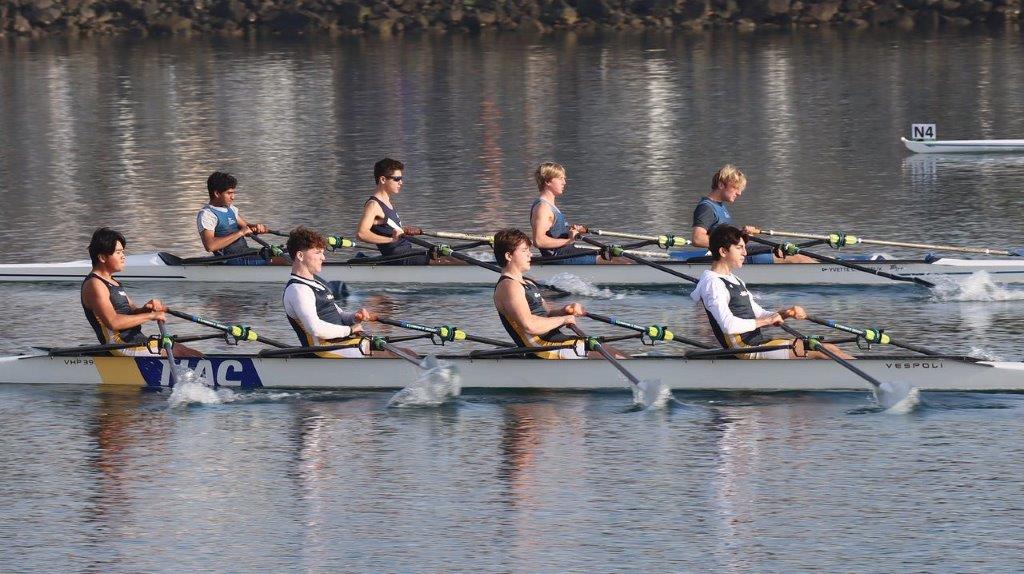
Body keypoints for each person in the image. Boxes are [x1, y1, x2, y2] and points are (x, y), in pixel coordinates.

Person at [690, 225, 852, 360]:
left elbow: (759, 313)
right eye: (739, 248)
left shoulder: (735, 279)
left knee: (828, 347)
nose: (745, 253)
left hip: (757, 343)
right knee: (821, 350)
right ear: (723, 252)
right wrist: (767, 322)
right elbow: (728, 326)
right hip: (744, 349)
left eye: (745, 248)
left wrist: (786, 312)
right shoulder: (713, 283)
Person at [492, 228, 626, 359]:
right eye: (524, 251)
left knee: (612, 351)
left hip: (554, 342)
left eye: (529, 250)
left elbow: (547, 314)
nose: (530, 254)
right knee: (613, 355)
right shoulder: (508, 287)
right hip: (542, 349)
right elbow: (530, 326)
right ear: (509, 256)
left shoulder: (527, 282)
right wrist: (563, 320)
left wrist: (565, 310)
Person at [81, 228, 199, 357]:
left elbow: (130, 313)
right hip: (120, 345)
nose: (123, 256)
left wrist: (146, 309)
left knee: (186, 351)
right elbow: (113, 322)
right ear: (102, 257)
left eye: (123, 252)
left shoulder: (112, 281)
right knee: (178, 352)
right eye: (118, 252)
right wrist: (151, 316)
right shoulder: (95, 285)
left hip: (135, 340)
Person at [284, 226, 379, 358]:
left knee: (405, 353)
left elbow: (338, 314)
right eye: (318, 253)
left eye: (323, 253)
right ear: (300, 255)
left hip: (343, 342)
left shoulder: (317, 282)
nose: (323, 258)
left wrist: (354, 317)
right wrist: (349, 330)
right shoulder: (298, 290)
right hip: (324, 349)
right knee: (391, 355)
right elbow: (315, 329)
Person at [690, 165, 813, 264]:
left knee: (790, 252)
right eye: (735, 188)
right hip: (728, 258)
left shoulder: (720, 206)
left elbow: (725, 237)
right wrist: (733, 243)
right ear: (721, 185)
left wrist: (742, 235)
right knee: (797, 259)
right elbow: (697, 239)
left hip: (736, 254)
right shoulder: (706, 208)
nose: (739, 193)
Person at [529, 162, 629, 265]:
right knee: (620, 261)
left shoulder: (549, 206)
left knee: (615, 256)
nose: (564, 182)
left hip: (567, 253)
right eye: (560, 178)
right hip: (559, 258)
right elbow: (539, 241)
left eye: (564, 178)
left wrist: (571, 232)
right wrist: (569, 240)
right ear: (547, 181)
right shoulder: (543, 208)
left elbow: (554, 233)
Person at [355, 158, 429, 265]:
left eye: (401, 178)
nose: (401, 182)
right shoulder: (373, 205)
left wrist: (403, 230)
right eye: (397, 179)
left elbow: (384, 226)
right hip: (397, 257)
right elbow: (361, 234)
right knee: (442, 260)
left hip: (405, 253)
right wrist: (391, 240)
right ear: (383, 179)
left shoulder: (387, 201)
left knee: (441, 255)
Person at [196, 171, 271, 265]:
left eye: (233, 193)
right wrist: (240, 233)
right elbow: (210, 246)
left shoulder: (231, 209)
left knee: (281, 254)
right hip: (230, 259)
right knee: (282, 260)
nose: (233, 197)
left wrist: (258, 228)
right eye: (229, 193)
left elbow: (246, 227)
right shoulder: (207, 215)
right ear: (217, 193)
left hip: (244, 253)